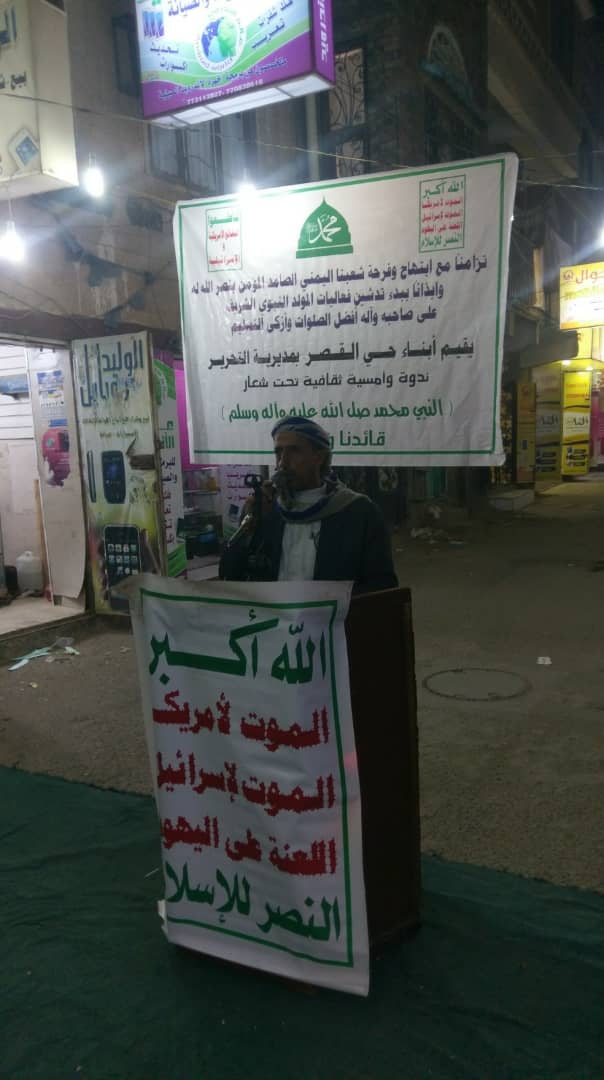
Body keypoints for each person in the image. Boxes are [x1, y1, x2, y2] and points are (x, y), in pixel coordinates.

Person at [219, 416, 398, 593]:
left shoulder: (359, 512)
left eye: (294, 451)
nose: (282, 463)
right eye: (278, 452)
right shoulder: (265, 509)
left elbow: (382, 586)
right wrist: (249, 526)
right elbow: (230, 576)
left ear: (319, 457)